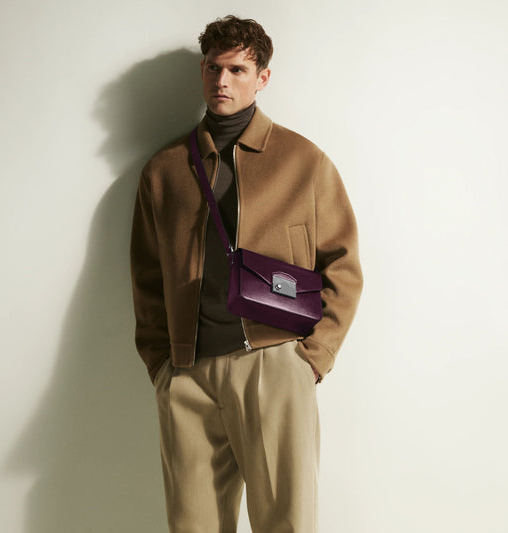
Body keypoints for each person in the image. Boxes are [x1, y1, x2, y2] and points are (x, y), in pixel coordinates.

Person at [130, 15, 363, 533]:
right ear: (202, 70)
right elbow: (146, 275)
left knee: (286, 522)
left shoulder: (303, 161)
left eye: (237, 69)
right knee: (192, 525)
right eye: (214, 68)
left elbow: (343, 264)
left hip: (274, 363)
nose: (222, 80)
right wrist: (162, 364)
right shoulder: (165, 170)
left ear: (262, 78)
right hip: (189, 371)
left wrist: (314, 358)